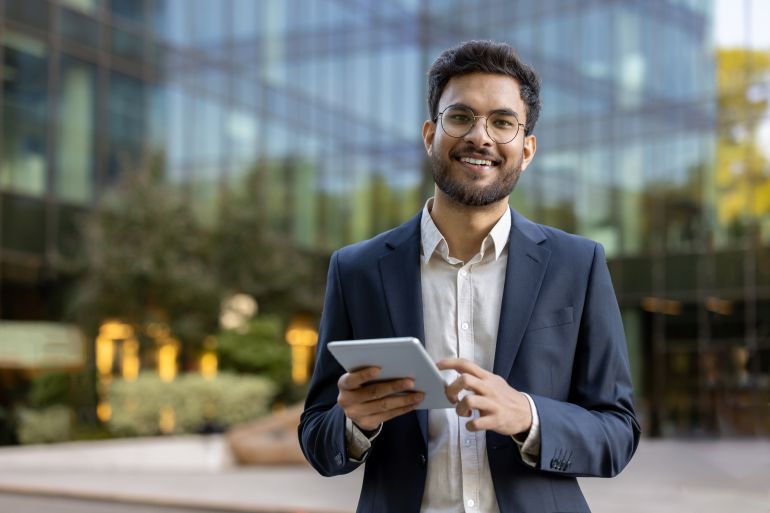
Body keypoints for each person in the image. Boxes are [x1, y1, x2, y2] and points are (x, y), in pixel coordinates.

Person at [299, 40, 640, 513]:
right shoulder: (357, 269)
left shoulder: (577, 265)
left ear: (527, 149)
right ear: (429, 134)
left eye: (502, 122)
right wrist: (353, 422)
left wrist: (529, 415)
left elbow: (618, 432)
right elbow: (318, 439)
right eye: (460, 117)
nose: (480, 136)